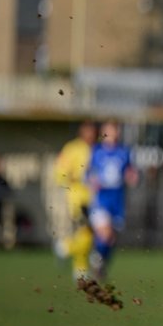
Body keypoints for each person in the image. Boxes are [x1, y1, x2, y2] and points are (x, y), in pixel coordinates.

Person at [86, 120, 139, 281]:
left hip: (117, 198)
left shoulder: (124, 151)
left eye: (115, 130)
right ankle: (96, 257)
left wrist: (132, 177)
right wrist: (92, 180)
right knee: (105, 232)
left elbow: (130, 172)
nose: (113, 134)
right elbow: (88, 173)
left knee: (111, 238)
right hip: (102, 198)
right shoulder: (96, 151)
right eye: (109, 130)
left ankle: (100, 263)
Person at [53, 120, 98, 281]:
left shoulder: (97, 148)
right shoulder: (72, 148)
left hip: (96, 199)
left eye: (93, 130)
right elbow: (59, 174)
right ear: (81, 131)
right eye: (88, 130)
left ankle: (66, 249)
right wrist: (72, 177)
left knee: (87, 235)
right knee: (86, 233)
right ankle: (77, 266)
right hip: (78, 199)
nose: (91, 134)